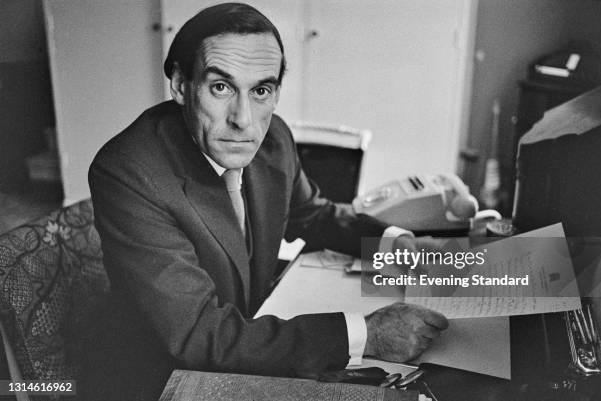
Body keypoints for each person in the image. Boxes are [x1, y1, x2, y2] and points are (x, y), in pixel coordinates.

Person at [85, 3, 448, 400]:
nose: (244, 119)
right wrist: (367, 334)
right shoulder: (129, 172)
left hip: (252, 330)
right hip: (164, 376)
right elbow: (198, 333)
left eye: (261, 90)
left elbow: (311, 215)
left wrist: (396, 245)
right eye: (220, 87)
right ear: (180, 83)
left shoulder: (273, 137)